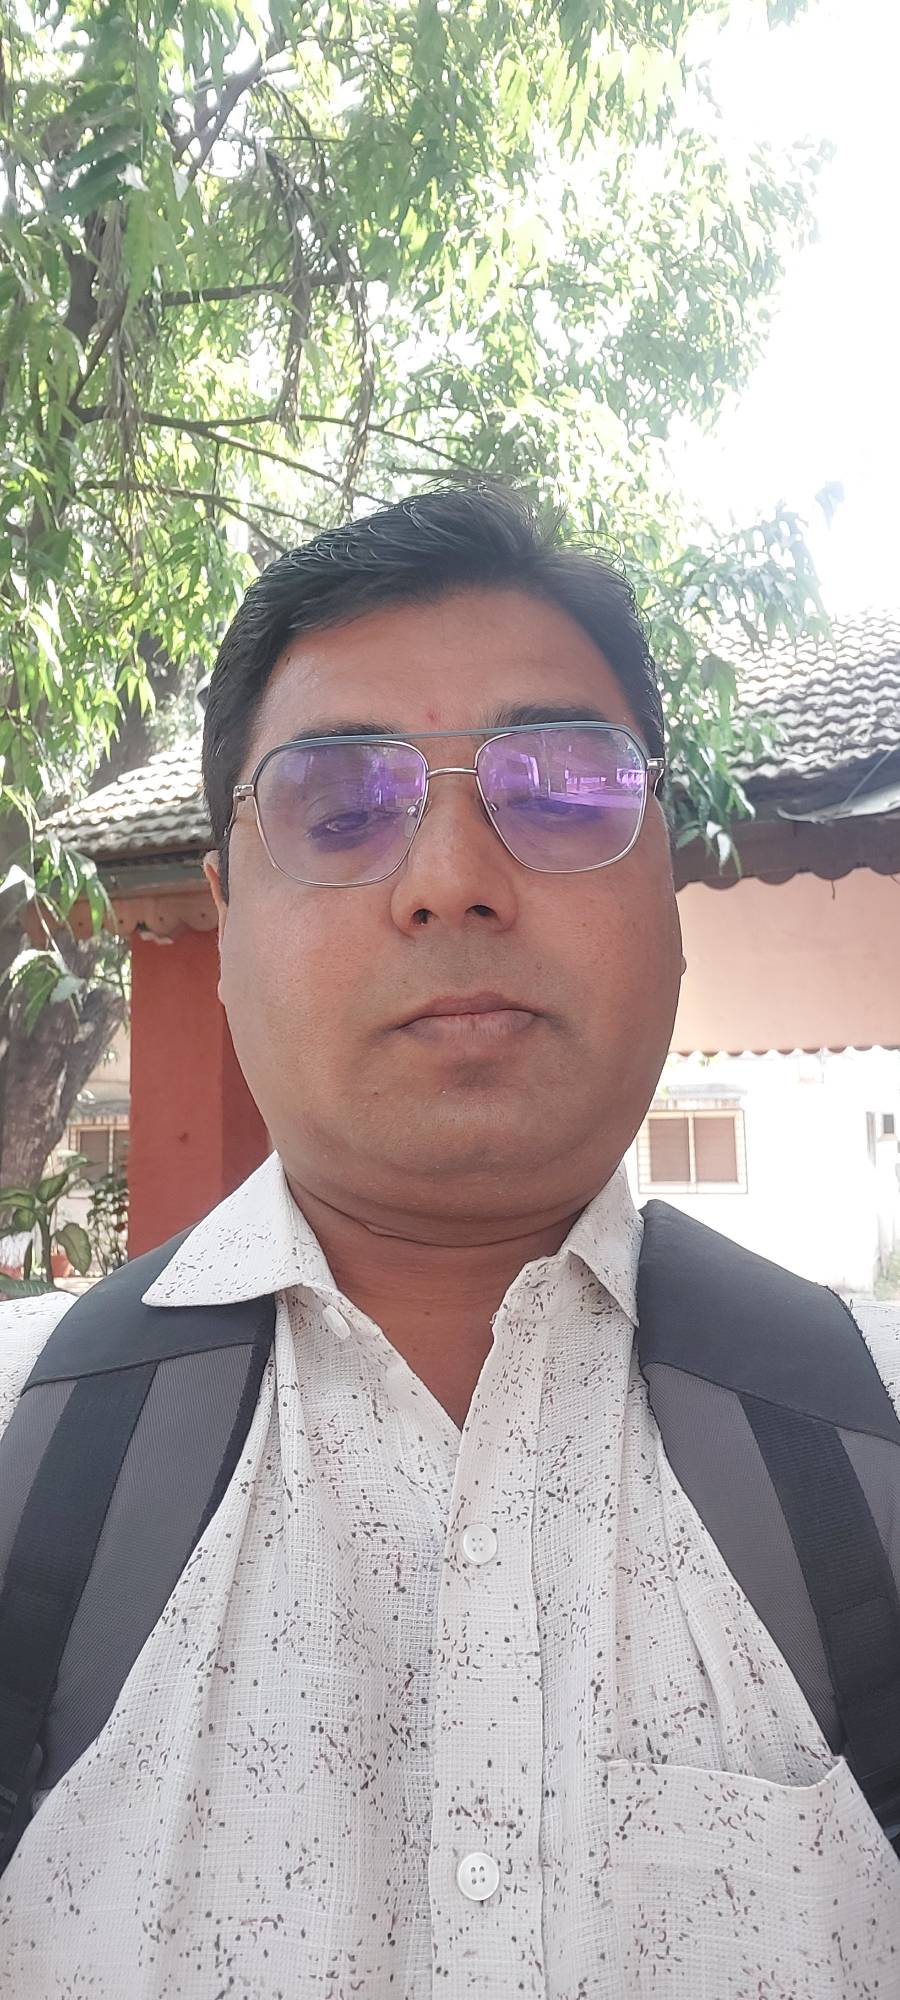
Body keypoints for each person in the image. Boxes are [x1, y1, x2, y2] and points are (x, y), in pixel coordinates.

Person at [0, 484, 898, 1996]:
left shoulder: (878, 1445)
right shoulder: (22, 1459)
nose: (453, 879)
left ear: (669, 889)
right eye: (341, 809)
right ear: (223, 917)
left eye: (563, 791)